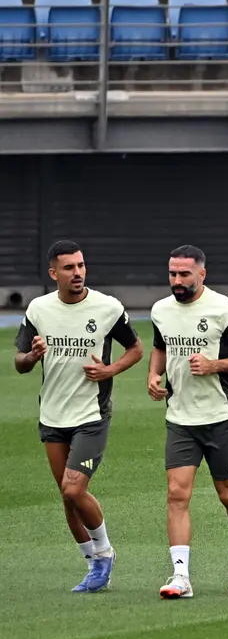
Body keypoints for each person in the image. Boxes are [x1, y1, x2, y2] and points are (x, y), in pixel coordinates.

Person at [13, 240, 143, 593]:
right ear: (54, 273)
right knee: (66, 496)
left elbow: (136, 348)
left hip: (91, 414)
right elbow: (19, 362)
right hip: (52, 414)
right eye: (69, 268)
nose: (78, 273)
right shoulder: (38, 309)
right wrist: (33, 355)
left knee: (74, 487)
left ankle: (105, 552)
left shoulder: (107, 308)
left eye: (81, 265)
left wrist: (110, 370)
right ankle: (93, 564)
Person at [149, 245, 228, 599]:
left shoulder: (223, 309)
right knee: (176, 494)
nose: (177, 281)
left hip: (219, 417)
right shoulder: (160, 310)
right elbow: (160, 346)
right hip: (180, 417)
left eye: (184, 274)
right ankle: (180, 576)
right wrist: (154, 375)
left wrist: (215, 365)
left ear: (202, 274)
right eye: (172, 274)